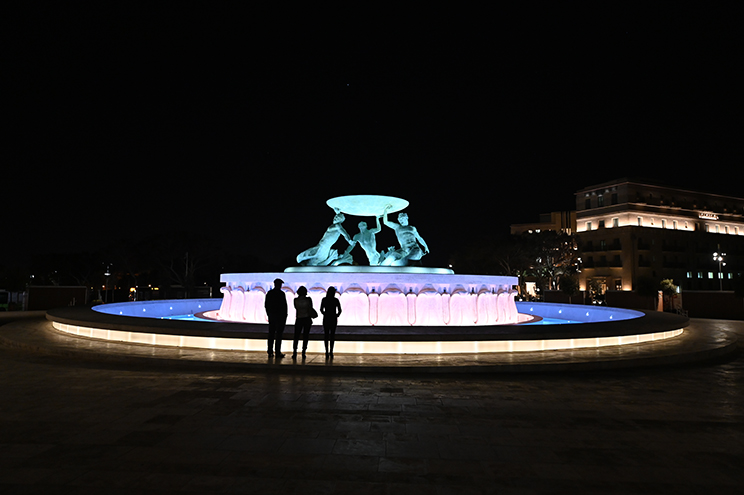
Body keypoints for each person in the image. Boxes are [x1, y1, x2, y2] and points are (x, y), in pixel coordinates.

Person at [264, 278, 287, 358]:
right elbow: (284, 306)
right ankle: (277, 351)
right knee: (278, 335)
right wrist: (285, 316)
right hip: (280, 316)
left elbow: (266, 304)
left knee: (271, 334)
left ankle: (270, 351)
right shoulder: (281, 294)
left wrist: (269, 314)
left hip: (272, 316)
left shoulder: (270, 293)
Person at [292, 286, 314, 359]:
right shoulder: (308, 300)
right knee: (306, 336)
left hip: (299, 319)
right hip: (307, 319)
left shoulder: (295, 300)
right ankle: (303, 352)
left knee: (296, 336)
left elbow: (296, 308)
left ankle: (294, 352)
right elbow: (310, 308)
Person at [320, 286, 342, 359]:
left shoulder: (324, 299)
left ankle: (326, 351)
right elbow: (339, 310)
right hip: (333, 318)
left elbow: (321, 309)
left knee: (326, 335)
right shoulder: (335, 300)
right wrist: (336, 315)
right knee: (332, 335)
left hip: (326, 318)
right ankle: (331, 352)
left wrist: (325, 313)